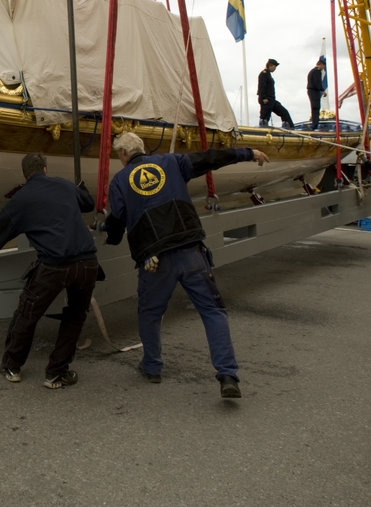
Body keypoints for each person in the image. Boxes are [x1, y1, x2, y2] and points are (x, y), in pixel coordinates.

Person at [102, 131, 270, 399]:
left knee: (150, 313)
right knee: (213, 312)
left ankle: (152, 367)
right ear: (142, 147)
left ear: (122, 154)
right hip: (191, 251)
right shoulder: (172, 162)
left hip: (154, 259)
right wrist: (247, 153)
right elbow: (210, 159)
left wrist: (108, 237)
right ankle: (227, 375)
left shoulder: (120, 181)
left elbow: (117, 220)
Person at [0, 152, 99, 389]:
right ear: (45, 169)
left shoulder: (21, 199)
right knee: (76, 317)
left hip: (54, 266)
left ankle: (12, 366)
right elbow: (88, 204)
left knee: (27, 315)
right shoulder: (65, 186)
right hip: (88, 263)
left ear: (25, 174)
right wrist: (82, 188)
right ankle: (56, 373)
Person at [257, 59, 294, 129]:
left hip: (271, 99)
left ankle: (290, 127)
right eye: (274, 67)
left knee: (284, 112)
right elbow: (261, 86)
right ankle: (263, 130)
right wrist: (263, 98)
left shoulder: (268, 74)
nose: (275, 69)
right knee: (264, 118)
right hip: (266, 99)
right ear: (270, 65)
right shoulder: (263, 74)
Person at [306, 58, 327, 131]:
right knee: (316, 108)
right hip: (314, 92)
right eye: (323, 66)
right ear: (320, 65)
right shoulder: (317, 72)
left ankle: (314, 124)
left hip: (311, 91)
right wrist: (322, 90)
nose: (323, 68)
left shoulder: (312, 71)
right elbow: (317, 82)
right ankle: (315, 125)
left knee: (314, 108)